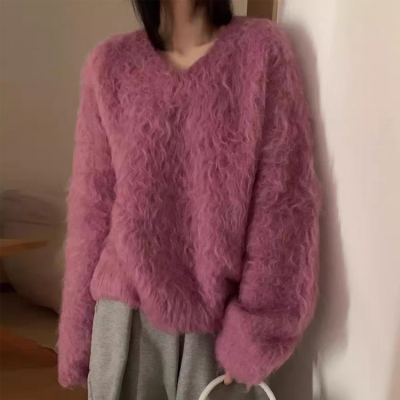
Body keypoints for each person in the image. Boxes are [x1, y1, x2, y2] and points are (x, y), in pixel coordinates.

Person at [58, 0, 321, 399]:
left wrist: (256, 334)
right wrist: (79, 332)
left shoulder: (260, 52)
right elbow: (91, 208)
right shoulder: (110, 64)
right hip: (123, 318)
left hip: (215, 327)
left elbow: (284, 204)